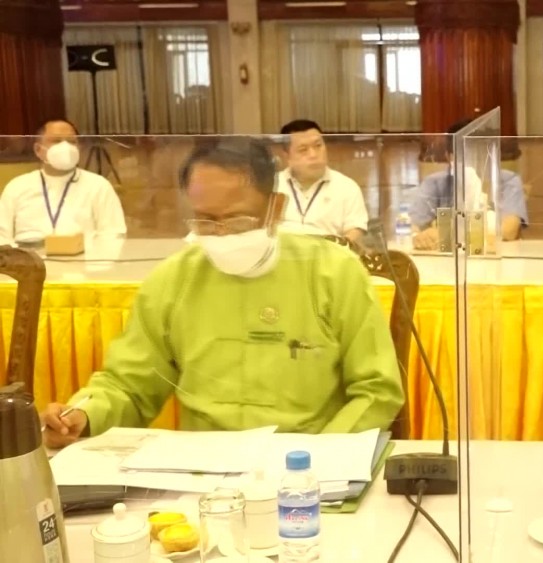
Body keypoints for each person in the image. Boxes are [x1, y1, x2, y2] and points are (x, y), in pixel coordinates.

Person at [42, 138, 404, 448]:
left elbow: (376, 391)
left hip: (308, 462)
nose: (220, 234)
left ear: (275, 208)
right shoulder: (175, 279)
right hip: (202, 468)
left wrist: (320, 459)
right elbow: (129, 385)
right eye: (205, 221)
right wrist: (83, 414)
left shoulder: (333, 272)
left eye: (236, 220)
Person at [0, 119, 126, 245]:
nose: (66, 147)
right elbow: (2, 236)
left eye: (72, 142)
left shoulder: (98, 186)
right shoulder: (17, 187)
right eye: (56, 141)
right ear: (38, 150)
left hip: (85, 256)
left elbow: (113, 234)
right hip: (29, 257)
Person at [410, 119, 528, 250]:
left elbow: (509, 230)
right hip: (447, 258)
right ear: (449, 157)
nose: (473, 161)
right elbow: (413, 226)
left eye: (479, 153)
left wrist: (446, 233)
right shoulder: (434, 183)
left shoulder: (509, 180)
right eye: (464, 155)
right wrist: (421, 237)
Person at [275, 119, 368, 241]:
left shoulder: (347, 187)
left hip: (331, 252)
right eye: (303, 149)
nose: (313, 154)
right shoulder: (272, 185)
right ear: (286, 156)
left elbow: (355, 230)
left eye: (318, 146)